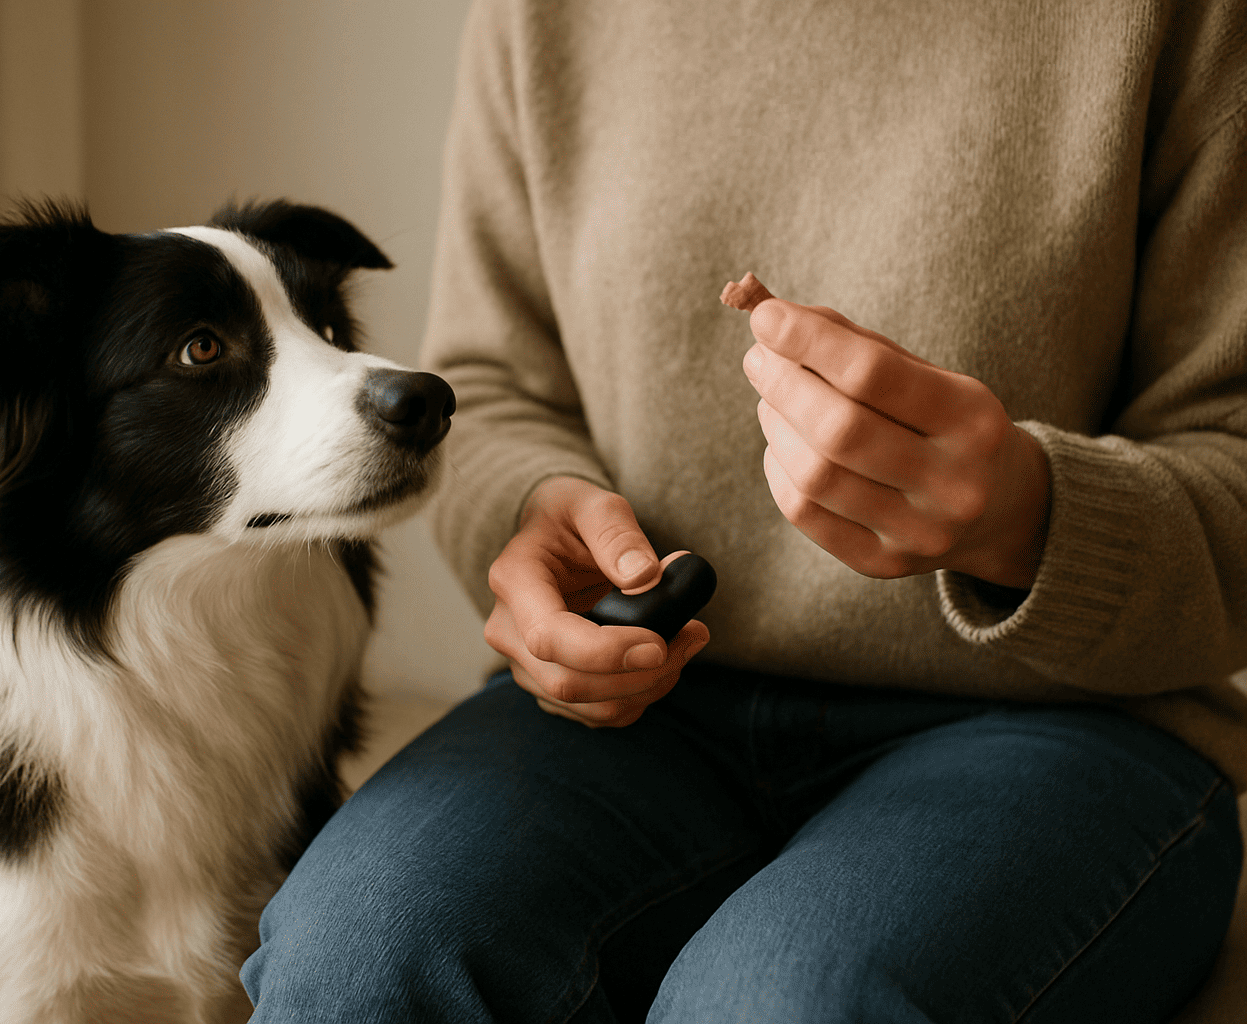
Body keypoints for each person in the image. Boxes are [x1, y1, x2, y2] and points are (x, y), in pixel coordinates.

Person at [241, 0, 1247, 1019]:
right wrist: (534, 514)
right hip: (637, 711)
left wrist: (1024, 515)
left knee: (780, 1003)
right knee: (354, 957)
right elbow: (496, 382)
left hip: (1062, 721)